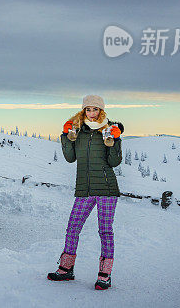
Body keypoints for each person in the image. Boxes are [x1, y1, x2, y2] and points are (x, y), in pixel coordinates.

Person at [47, 94, 123, 290]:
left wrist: (115, 140)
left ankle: (104, 275)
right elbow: (70, 158)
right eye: (88, 109)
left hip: (106, 189)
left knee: (105, 231)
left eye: (95, 109)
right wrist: (65, 137)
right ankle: (66, 269)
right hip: (84, 189)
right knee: (73, 228)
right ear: (83, 111)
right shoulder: (77, 131)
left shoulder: (108, 130)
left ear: (101, 111)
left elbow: (114, 162)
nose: (91, 113)